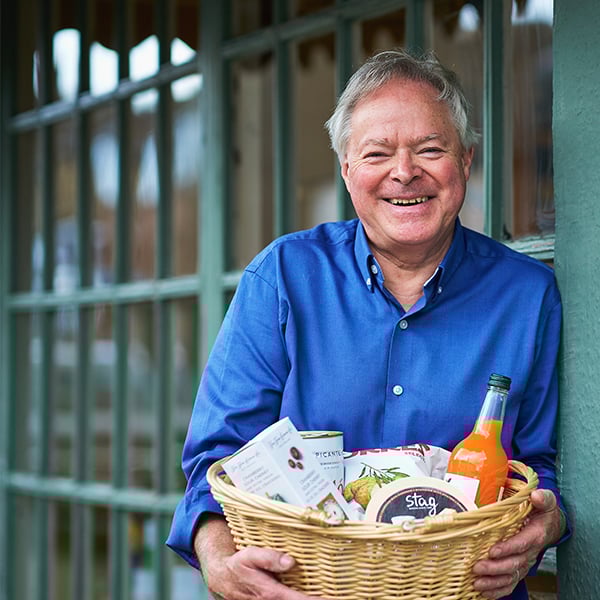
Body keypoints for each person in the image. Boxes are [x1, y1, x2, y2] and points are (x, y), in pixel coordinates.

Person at [167, 49, 570, 600]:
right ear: (347, 169)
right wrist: (217, 558)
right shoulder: (284, 277)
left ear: (467, 161)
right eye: (378, 153)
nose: (404, 172)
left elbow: (545, 470)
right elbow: (219, 456)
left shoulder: (528, 296)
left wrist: (546, 525)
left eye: (430, 149)